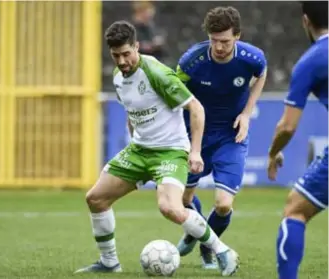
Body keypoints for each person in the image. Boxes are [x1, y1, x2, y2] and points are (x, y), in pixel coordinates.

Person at [74, 20, 239, 276]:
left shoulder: (157, 73)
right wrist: (134, 142)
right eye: (116, 55)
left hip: (170, 151)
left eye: (126, 54)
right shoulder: (119, 78)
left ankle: (223, 251)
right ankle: (109, 262)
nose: (121, 61)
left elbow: (196, 108)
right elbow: (133, 112)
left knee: (170, 208)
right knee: (95, 199)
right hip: (140, 150)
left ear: (137, 47)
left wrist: (194, 152)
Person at [175, 6, 267, 269]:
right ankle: (197, 230)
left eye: (225, 41)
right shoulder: (191, 60)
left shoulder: (253, 58)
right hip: (194, 136)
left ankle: (206, 244)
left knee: (224, 204)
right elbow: (172, 90)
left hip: (231, 135)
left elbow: (262, 74)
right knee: (182, 200)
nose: (218, 47)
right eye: (214, 40)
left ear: (237, 36)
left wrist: (247, 114)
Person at [267, 2, 328, 279]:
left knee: (295, 210)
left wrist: (273, 152)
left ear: (306, 21)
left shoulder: (312, 60)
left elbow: (287, 126)